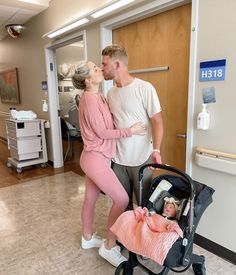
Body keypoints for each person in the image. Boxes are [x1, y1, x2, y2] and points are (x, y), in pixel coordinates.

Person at [72, 60, 146, 267]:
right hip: (95, 159)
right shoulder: (89, 100)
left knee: (90, 199)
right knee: (121, 200)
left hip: (96, 157)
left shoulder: (99, 96)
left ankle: (87, 238)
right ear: (88, 80)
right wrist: (130, 131)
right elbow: (102, 132)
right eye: (95, 69)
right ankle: (109, 245)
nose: (99, 69)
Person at [101, 44, 164, 207]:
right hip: (119, 160)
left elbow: (157, 121)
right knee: (122, 204)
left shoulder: (144, 88)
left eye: (104, 64)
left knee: (145, 207)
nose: (102, 68)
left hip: (142, 158)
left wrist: (156, 150)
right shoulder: (111, 93)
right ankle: (124, 233)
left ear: (116, 65)